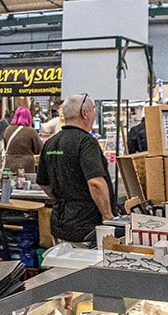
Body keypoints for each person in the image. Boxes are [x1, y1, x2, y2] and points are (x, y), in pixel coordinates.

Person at [36, 93, 112, 244]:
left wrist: (63, 197)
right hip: (87, 226)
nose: (94, 114)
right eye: (93, 109)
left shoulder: (50, 143)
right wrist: (108, 216)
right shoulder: (86, 143)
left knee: (64, 264)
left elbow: (44, 183)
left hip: (60, 223)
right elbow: (95, 183)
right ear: (85, 113)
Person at [3, 106, 42, 177]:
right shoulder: (31, 131)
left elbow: (6, 148)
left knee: (10, 185)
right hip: (27, 166)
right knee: (26, 185)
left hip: (10, 164)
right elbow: (38, 149)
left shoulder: (7, 130)